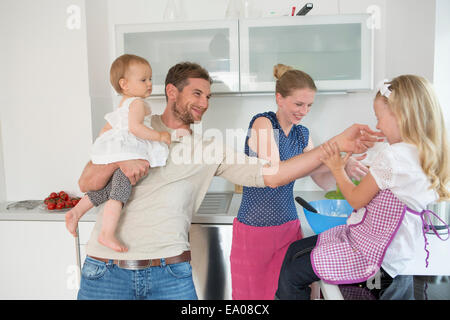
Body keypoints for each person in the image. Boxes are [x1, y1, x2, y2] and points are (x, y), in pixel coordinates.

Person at [76, 61, 380, 300]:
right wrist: (121, 160)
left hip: (171, 273)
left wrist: (337, 146)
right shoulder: (133, 129)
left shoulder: (211, 148)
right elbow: (87, 181)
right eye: (197, 94)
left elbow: (272, 175)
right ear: (171, 91)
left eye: (208, 96)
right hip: (105, 269)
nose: (204, 102)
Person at [275, 74, 450, 300]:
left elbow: (356, 200)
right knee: (294, 252)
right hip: (391, 255)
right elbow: (390, 189)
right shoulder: (422, 154)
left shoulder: (394, 155)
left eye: (379, 117)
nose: (377, 125)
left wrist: (337, 167)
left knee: (292, 273)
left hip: (371, 257)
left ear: (402, 115)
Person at [230, 64, 369, 300]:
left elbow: (320, 178)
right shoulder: (263, 124)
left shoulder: (302, 134)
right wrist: (331, 158)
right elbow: (275, 175)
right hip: (254, 233)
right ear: (279, 98)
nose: (304, 111)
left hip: (288, 229)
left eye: (309, 105)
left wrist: (342, 168)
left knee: (287, 293)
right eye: (298, 104)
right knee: (253, 299)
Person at [65, 54, 171, 252]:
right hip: (127, 152)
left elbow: (105, 130)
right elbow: (136, 129)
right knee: (121, 190)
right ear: (124, 84)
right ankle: (107, 233)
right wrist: (159, 136)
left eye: (150, 79)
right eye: (143, 80)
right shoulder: (138, 104)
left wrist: (110, 150)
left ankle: (76, 211)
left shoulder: (123, 104)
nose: (149, 84)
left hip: (120, 152)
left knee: (111, 187)